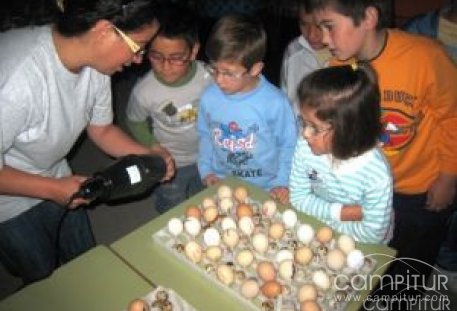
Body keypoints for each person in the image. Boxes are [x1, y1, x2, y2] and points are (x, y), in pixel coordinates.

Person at [0, 0, 175, 285]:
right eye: (138, 46)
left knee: (84, 258)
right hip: (7, 199)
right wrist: (53, 189)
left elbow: (102, 130)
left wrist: (148, 152)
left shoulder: (95, 63)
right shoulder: (15, 80)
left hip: (57, 172)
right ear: (105, 30)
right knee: (40, 275)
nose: (139, 59)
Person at [307, 0, 457, 303]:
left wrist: (449, 175)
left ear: (368, 17)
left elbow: (453, 116)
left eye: (329, 26)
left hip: (418, 188)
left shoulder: (426, 57)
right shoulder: (337, 70)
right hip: (364, 190)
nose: (323, 39)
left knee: (409, 267)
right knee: (368, 264)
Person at [197, 14, 297, 205]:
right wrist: (206, 169)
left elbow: (288, 145)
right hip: (223, 183)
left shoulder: (275, 102)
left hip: (267, 188)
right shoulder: (209, 98)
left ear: (255, 69)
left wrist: (282, 182)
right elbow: (205, 135)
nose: (218, 79)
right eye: (214, 69)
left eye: (228, 73)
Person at [289, 63, 393, 244]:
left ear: (349, 130)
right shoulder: (306, 147)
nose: (305, 134)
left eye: (314, 127)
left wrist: (324, 224)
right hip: (319, 231)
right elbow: (298, 198)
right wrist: (343, 213)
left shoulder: (376, 174)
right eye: (304, 122)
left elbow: (371, 235)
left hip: (362, 246)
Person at [126, 2, 211, 214]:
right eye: (156, 56)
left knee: (207, 201)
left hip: (207, 157)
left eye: (176, 58)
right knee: (173, 208)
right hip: (172, 162)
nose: (165, 66)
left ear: (193, 51)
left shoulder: (209, 76)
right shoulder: (144, 91)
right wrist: (152, 146)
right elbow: (134, 121)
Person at [280, 0, 331, 114]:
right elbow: (285, 96)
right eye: (304, 24)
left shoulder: (346, 55)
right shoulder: (293, 50)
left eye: (319, 26)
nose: (311, 35)